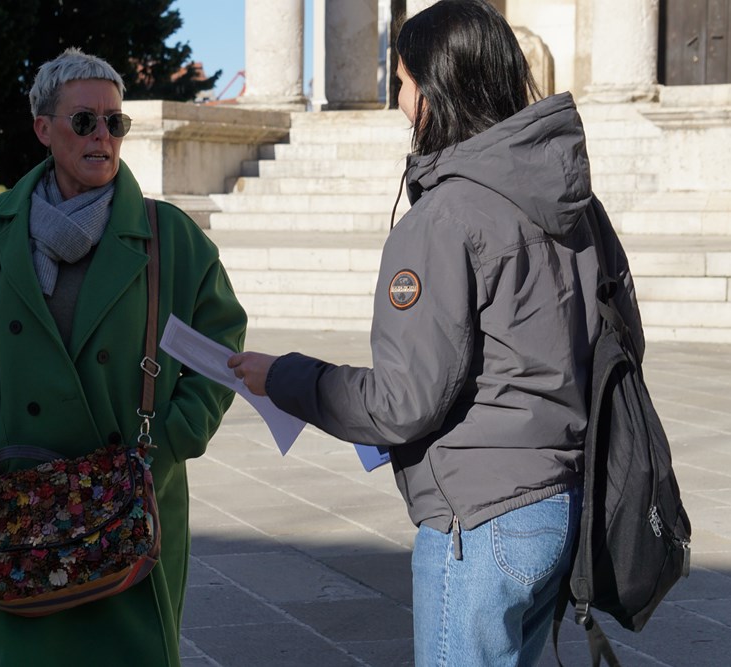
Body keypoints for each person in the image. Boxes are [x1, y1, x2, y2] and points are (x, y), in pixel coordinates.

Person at [228, 1, 644, 665]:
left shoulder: (443, 219)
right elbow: (623, 345)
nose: (397, 100)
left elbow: (403, 402)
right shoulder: (578, 203)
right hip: (562, 503)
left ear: (433, 90)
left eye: (400, 82)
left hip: (481, 521)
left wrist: (285, 377)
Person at [0, 47, 247, 666]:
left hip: (130, 503)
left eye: (115, 122)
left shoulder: (170, 236)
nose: (103, 136)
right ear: (43, 128)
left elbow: (220, 342)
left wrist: (175, 435)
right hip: (20, 502)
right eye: (85, 121)